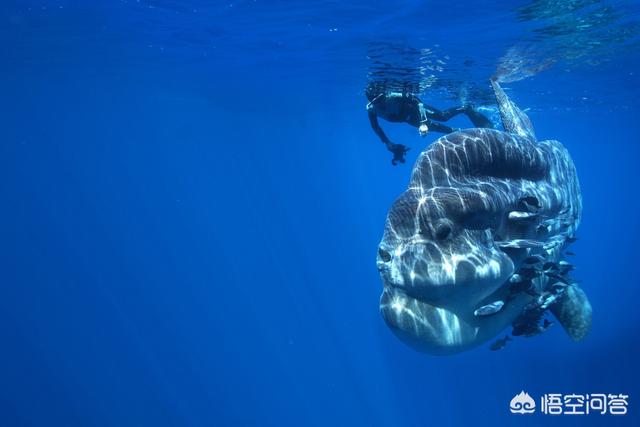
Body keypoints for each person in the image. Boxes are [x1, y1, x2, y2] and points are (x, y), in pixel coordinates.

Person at [366, 83, 493, 165]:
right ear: (371, 101)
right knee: (439, 129)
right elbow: (375, 127)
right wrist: (387, 142)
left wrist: (423, 121)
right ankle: (466, 133)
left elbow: (417, 101)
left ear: (385, 94)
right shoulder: (371, 109)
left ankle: (465, 108)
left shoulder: (394, 95)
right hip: (409, 119)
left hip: (416, 111)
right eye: (376, 101)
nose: (381, 103)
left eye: (382, 98)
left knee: (443, 117)